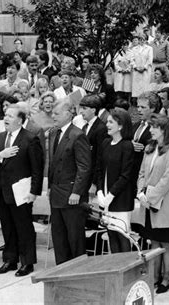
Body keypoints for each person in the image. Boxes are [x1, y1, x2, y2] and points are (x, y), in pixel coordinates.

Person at [0, 104, 43, 276]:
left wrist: (34, 192)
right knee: (7, 227)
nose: (6, 118)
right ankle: (10, 260)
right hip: (2, 190)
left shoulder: (30, 138)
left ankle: (27, 262)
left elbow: (37, 169)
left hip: (21, 192)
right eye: (5, 115)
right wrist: (0, 155)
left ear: (20, 120)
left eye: (10, 116)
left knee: (24, 227)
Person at [137, 113, 169, 294]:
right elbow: (141, 173)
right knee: (153, 241)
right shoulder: (149, 148)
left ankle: (166, 277)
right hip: (147, 202)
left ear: (164, 130)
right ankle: (154, 277)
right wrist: (140, 193)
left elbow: (167, 180)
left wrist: (150, 195)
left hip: (163, 204)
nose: (151, 130)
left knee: (166, 243)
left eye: (154, 127)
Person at [48, 99, 92, 265]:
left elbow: (84, 167)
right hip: (57, 194)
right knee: (59, 237)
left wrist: (76, 192)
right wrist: (50, 188)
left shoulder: (78, 135)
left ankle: (78, 271)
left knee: (74, 238)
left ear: (68, 114)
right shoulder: (54, 133)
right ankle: (61, 269)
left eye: (56, 113)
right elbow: (52, 164)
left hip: (71, 195)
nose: (53, 116)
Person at [96, 108, 134, 253]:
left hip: (120, 199)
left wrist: (111, 194)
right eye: (107, 122)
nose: (107, 125)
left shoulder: (127, 146)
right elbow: (99, 169)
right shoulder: (106, 143)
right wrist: (100, 191)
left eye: (111, 122)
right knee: (111, 236)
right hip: (106, 199)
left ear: (121, 126)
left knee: (122, 236)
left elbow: (126, 175)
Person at [78, 95, 108, 193]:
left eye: (84, 108)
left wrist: (94, 183)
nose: (81, 111)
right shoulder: (84, 127)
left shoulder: (101, 129)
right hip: (83, 176)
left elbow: (100, 157)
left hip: (92, 179)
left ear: (93, 110)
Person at [131, 34, 153, 100]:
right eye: (140, 39)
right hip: (136, 70)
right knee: (137, 87)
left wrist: (144, 67)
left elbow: (150, 59)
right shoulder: (134, 49)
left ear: (146, 40)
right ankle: (137, 101)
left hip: (145, 71)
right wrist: (135, 67)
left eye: (143, 39)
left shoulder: (149, 48)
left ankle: (145, 100)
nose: (142, 41)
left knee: (145, 86)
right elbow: (131, 59)